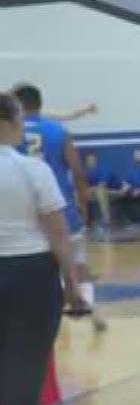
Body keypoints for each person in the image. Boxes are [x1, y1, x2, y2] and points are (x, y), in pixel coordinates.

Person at [0, 92, 89, 405]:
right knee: (23, 374)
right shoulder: (30, 169)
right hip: (29, 275)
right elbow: (57, 233)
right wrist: (73, 286)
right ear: (11, 121)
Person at [15, 85, 93, 309]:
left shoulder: (11, 134)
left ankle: (40, 310)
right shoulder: (58, 130)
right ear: (40, 103)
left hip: (25, 212)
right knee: (77, 260)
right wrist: (84, 204)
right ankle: (86, 305)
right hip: (61, 208)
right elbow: (77, 171)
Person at [82, 153, 123, 231]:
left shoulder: (102, 169)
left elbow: (102, 185)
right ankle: (83, 221)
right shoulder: (86, 171)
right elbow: (84, 186)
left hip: (116, 191)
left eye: (92, 160)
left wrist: (90, 189)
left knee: (100, 191)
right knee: (78, 194)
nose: (90, 162)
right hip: (98, 191)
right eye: (88, 160)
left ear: (95, 160)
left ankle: (106, 219)